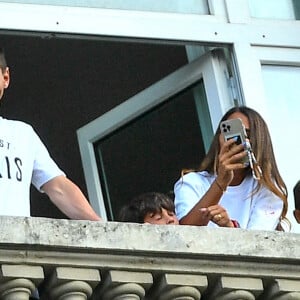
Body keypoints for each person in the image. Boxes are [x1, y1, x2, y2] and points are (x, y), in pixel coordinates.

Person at [0, 47, 101, 221]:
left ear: (5, 77)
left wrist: (102, 228)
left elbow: (58, 187)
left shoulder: (22, 134)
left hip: (12, 245)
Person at [174, 106, 288, 230]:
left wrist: (230, 226)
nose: (235, 142)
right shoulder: (192, 182)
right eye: (229, 134)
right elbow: (186, 233)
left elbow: (255, 244)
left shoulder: (267, 189)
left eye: (246, 135)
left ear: (259, 142)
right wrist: (221, 183)